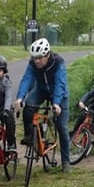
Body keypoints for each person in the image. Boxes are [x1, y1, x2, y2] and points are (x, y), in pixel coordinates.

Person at [15, 38, 71, 172]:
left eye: (40, 58)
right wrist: (20, 98)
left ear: (47, 55)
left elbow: (60, 84)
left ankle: (65, 161)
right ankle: (30, 135)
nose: (37, 61)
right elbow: (27, 79)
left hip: (59, 94)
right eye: (35, 58)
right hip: (41, 90)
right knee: (28, 106)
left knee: (62, 127)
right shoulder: (32, 64)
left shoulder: (58, 62)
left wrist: (56, 103)